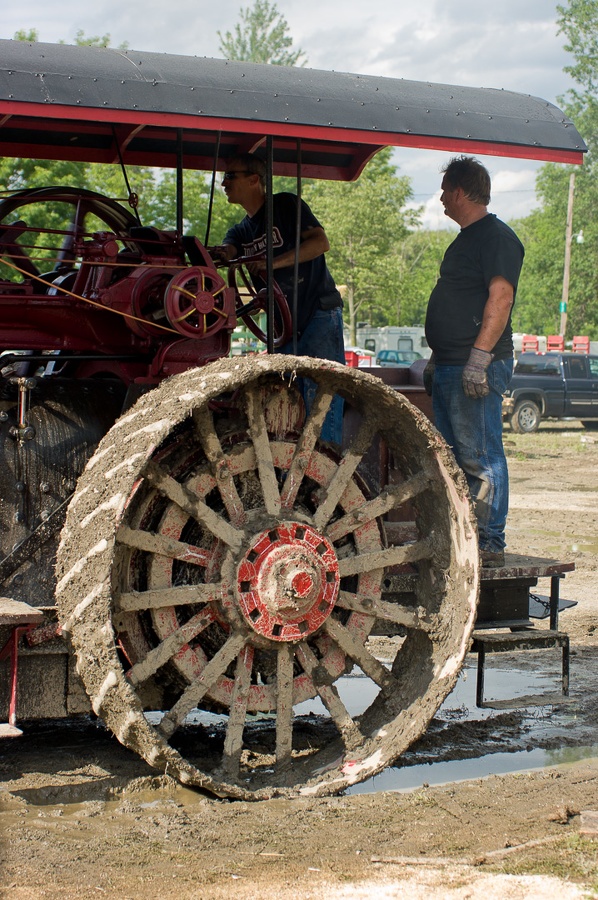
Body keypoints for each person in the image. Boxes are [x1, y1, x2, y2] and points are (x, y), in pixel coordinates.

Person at [424, 156, 524, 568]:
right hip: (451, 364)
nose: (442, 196)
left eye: (446, 188)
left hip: (474, 366)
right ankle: (466, 536)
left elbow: (500, 298)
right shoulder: (466, 238)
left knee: (480, 457)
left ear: (461, 191)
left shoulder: (496, 238)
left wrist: (478, 359)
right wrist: (437, 358)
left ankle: (488, 543)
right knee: (453, 458)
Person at [209, 153, 345, 445]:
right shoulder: (240, 231)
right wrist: (221, 254)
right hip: (284, 324)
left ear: (254, 179)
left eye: (231, 176)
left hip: (318, 313)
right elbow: (230, 250)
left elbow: (320, 243)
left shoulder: (285, 205)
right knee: (288, 396)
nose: (224, 183)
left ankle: (328, 464)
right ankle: (295, 463)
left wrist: (273, 263)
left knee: (322, 393)